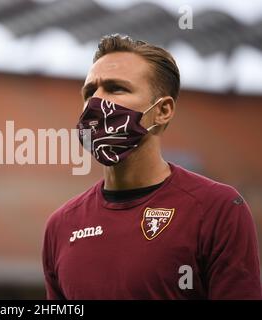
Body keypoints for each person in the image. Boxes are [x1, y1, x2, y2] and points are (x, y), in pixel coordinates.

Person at [42, 34, 262, 299]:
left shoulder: (217, 208)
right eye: (90, 92)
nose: (96, 102)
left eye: (116, 88)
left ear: (163, 110)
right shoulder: (61, 225)